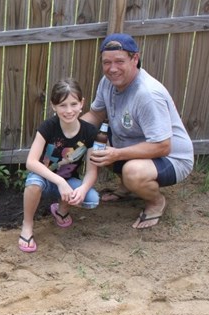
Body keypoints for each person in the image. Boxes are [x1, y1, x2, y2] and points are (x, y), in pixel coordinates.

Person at [81, 33, 194, 229]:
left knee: (132, 171)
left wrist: (116, 154)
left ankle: (156, 202)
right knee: (96, 143)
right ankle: (127, 188)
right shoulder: (108, 81)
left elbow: (163, 146)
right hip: (134, 147)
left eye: (119, 61)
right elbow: (95, 115)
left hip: (173, 158)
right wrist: (63, 132)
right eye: (107, 62)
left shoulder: (148, 94)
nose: (112, 68)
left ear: (135, 58)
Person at [18, 78, 100, 253]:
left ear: (82, 104)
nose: (69, 110)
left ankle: (61, 210)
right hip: (45, 179)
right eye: (62, 105)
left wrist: (83, 188)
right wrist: (60, 182)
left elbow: (92, 171)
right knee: (33, 184)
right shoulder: (48, 127)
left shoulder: (90, 132)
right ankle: (27, 225)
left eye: (73, 104)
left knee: (92, 200)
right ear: (53, 106)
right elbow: (31, 162)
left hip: (69, 181)